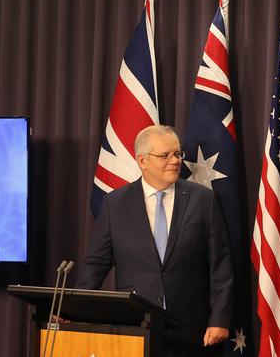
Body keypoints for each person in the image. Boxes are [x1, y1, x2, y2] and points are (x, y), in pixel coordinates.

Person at [76, 125, 234, 356]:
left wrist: (220, 319)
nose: (175, 161)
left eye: (178, 154)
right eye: (165, 155)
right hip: (135, 331)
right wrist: (76, 309)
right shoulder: (115, 204)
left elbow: (220, 267)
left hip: (192, 331)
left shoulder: (203, 200)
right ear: (142, 161)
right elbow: (95, 265)